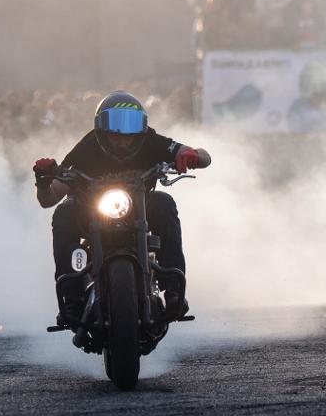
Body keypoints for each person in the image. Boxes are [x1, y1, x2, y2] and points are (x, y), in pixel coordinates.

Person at [33, 91, 211, 324]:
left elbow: (205, 157)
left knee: (164, 203)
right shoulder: (86, 149)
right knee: (64, 213)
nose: (122, 137)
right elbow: (49, 198)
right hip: (91, 213)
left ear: (141, 129)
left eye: (129, 131)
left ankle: (174, 290)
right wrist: (43, 181)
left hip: (141, 209)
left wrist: (192, 155)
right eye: (115, 131)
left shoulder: (151, 141)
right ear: (101, 130)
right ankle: (71, 296)